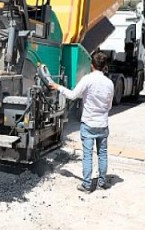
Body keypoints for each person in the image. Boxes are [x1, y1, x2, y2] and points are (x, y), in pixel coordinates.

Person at [48, 52, 114, 193]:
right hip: (103, 124)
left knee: (88, 154)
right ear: (104, 66)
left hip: (89, 123)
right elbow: (109, 106)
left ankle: (87, 185)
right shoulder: (109, 83)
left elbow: (72, 95)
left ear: (92, 65)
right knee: (102, 153)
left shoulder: (87, 79)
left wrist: (58, 87)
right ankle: (102, 182)